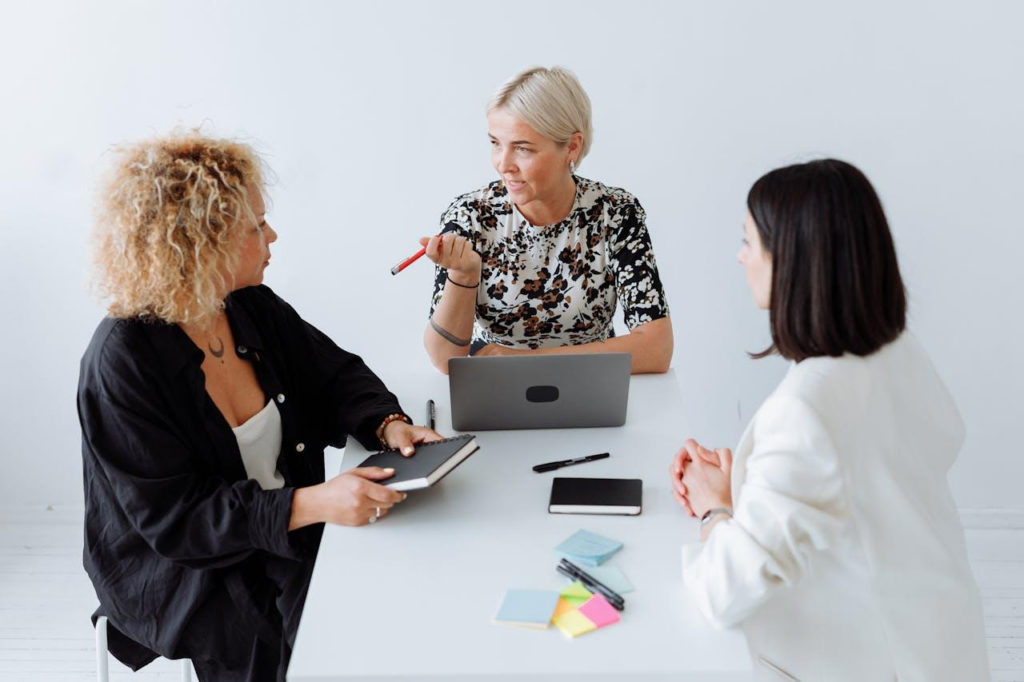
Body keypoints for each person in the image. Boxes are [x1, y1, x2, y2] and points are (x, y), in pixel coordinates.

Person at [79, 131, 441, 682]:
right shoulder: (122, 362)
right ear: (200, 244)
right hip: (186, 568)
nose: (272, 235)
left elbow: (335, 374)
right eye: (255, 226)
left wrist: (389, 424)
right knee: (299, 639)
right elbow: (179, 521)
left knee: (385, 593)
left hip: (283, 525)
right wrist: (314, 503)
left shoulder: (248, 306)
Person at [670, 159, 990, 680]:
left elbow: (721, 593)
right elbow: (855, 490)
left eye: (749, 242)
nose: (740, 256)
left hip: (867, 661)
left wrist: (717, 510)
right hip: (939, 642)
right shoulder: (898, 352)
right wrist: (752, 489)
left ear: (791, 261)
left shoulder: (805, 408)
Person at [421, 66, 673, 374]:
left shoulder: (616, 212)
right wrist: (463, 274)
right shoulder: (470, 215)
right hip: (498, 389)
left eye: (522, 149)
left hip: (589, 386)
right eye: (495, 143)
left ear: (572, 146)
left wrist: (526, 362)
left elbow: (658, 348)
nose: (503, 165)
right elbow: (445, 359)